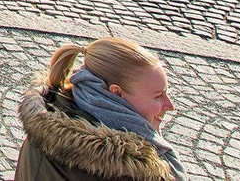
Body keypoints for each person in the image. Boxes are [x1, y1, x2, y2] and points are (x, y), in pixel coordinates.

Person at [15, 36, 184, 181]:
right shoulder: (127, 171)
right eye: (158, 96)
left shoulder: (57, 111)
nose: (170, 106)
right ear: (116, 93)